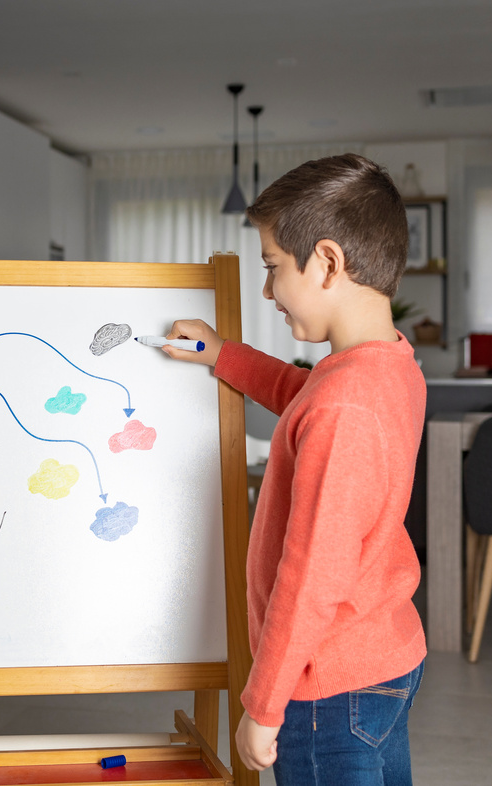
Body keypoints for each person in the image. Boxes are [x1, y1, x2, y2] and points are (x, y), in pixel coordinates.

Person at [163, 154, 426, 785]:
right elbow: (299, 394)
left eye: (273, 268)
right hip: (380, 660)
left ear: (328, 261)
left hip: (325, 688)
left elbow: (312, 575)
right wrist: (222, 353)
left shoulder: (344, 406)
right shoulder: (386, 365)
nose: (266, 291)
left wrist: (264, 702)